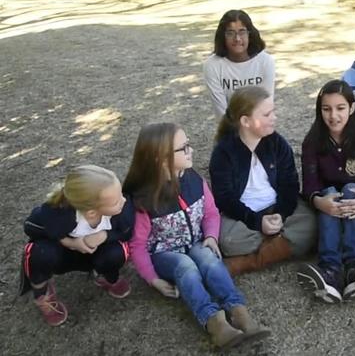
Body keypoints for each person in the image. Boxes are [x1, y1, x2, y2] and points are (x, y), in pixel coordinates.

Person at [124, 123, 269, 350]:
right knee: (186, 266)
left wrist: (211, 236)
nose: (191, 150)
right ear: (161, 159)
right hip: (164, 253)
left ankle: (239, 312)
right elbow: (138, 245)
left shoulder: (194, 180)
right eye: (184, 148)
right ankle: (214, 322)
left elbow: (210, 213)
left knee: (209, 259)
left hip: (196, 242)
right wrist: (153, 279)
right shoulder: (145, 199)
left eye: (188, 145)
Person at [209, 86, 317, 275]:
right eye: (267, 114)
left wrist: (281, 214)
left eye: (273, 111)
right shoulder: (224, 152)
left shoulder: (277, 144)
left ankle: (250, 262)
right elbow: (224, 199)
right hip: (242, 215)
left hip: (276, 207)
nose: (274, 117)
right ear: (245, 121)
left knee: (313, 224)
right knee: (227, 241)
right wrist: (258, 222)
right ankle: (284, 243)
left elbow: (289, 185)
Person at [296, 80, 355, 303]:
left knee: (352, 189)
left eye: (340, 108)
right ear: (320, 110)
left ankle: (354, 265)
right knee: (328, 192)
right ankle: (330, 270)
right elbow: (310, 185)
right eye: (326, 109)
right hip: (327, 203)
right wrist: (319, 202)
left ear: (352, 108)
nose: (333, 116)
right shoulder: (312, 141)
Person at [19, 165, 133, 326]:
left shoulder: (121, 209)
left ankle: (104, 275)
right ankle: (42, 293)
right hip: (61, 256)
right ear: (91, 212)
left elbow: (127, 231)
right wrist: (69, 242)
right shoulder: (57, 212)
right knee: (39, 252)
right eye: (116, 200)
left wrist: (105, 235)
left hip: (94, 254)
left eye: (121, 194)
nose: (124, 200)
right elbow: (30, 226)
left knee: (118, 251)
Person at [204, 9, 275, 117]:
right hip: (229, 127)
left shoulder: (265, 61)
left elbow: (266, 106)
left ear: (250, 34)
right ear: (223, 36)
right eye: (230, 33)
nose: (237, 38)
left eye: (242, 32)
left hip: (260, 126)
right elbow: (221, 112)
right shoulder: (212, 65)